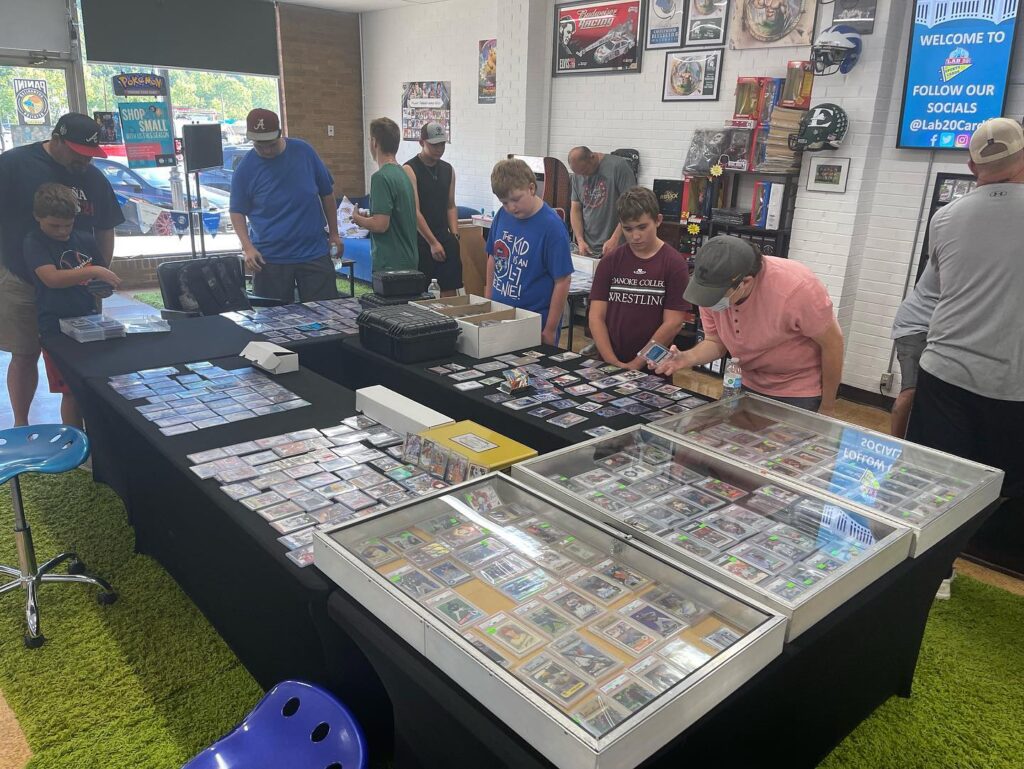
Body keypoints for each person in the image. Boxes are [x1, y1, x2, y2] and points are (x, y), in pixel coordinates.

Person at [906, 117, 1024, 585]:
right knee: (1004, 486)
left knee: (937, 482)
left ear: (971, 164)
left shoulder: (946, 216)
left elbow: (930, 291)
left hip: (945, 372)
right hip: (1013, 385)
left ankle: (939, 574)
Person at [0, 112, 123, 426]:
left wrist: (99, 272)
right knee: (25, 353)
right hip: (22, 278)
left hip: (79, 287)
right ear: (56, 140)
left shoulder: (92, 177)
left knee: (82, 357)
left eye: (91, 155)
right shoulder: (14, 164)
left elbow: (106, 226)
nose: (85, 161)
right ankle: (20, 424)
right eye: (79, 154)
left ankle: (84, 428)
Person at [655, 235, 843, 414]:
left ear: (745, 282)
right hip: (745, 381)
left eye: (716, 297)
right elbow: (715, 342)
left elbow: (833, 345)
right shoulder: (710, 288)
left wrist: (827, 407)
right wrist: (686, 358)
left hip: (797, 390)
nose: (709, 303)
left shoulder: (798, 288)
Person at [24, 184, 121, 428]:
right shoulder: (34, 241)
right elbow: (52, 278)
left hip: (89, 320)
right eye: (54, 226)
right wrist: (96, 270)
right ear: (38, 217)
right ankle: (74, 441)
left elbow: (99, 280)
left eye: (67, 225)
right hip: (55, 328)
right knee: (70, 391)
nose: (62, 231)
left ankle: (97, 437)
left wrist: (104, 285)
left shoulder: (84, 238)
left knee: (93, 383)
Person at [229, 108, 341, 304]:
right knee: (272, 323)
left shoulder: (304, 152)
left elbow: (327, 194)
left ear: (280, 134)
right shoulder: (246, 168)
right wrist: (247, 247)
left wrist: (334, 233)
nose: (266, 151)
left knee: (326, 315)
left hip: (313, 252)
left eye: (271, 145)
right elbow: (236, 211)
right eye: (259, 146)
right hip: (270, 258)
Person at [589, 187, 690, 371]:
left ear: (658, 220)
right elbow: (596, 316)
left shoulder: (674, 264)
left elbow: (673, 323)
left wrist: (637, 363)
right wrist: (612, 361)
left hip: (653, 367)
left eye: (643, 227)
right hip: (608, 361)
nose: (635, 236)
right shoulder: (610, 261)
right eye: (628, 229)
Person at [486, 158, 573, 346]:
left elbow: (563, 280)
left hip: (533, 321)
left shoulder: (552, 227)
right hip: (500, 314)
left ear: (531, 188)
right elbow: (493, 257)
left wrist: (550, 329)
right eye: (504, 202)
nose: (511, 207)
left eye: (516, 199)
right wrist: (488, 302)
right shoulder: (502, 215)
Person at [403, 122, 462, 297]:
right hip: (422, 240)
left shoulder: (448, 169)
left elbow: (450, 205)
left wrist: (455, 235)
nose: (439, 149)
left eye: (442, 144)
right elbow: (414, 211)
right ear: (422, 142)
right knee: (423, 293)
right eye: (434, 145)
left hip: (445, 236)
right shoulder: (410, 169)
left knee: (450, 288)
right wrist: (432, 242)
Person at [352, 117, 418, 272]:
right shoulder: (404, 174)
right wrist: (370, 216)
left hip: (390, 264)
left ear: (374, 142)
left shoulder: (380, 177)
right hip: (409, 259)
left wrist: (357, 218)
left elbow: (381, 225)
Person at [889, 260, 940, 437]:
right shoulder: (957, 255)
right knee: (910, 390)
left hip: (936, 330)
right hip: (916, 326)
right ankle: (896, 447)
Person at [568, 146, 637, 257]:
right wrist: (580, 240)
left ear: (592, 157)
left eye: (585, 171)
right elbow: (575, 210)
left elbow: (631, 207)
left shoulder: (618, 167)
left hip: (617, 246)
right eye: (579, 173)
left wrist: (615, 239)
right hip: (589, 248)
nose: (583, 176)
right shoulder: (577, 175)